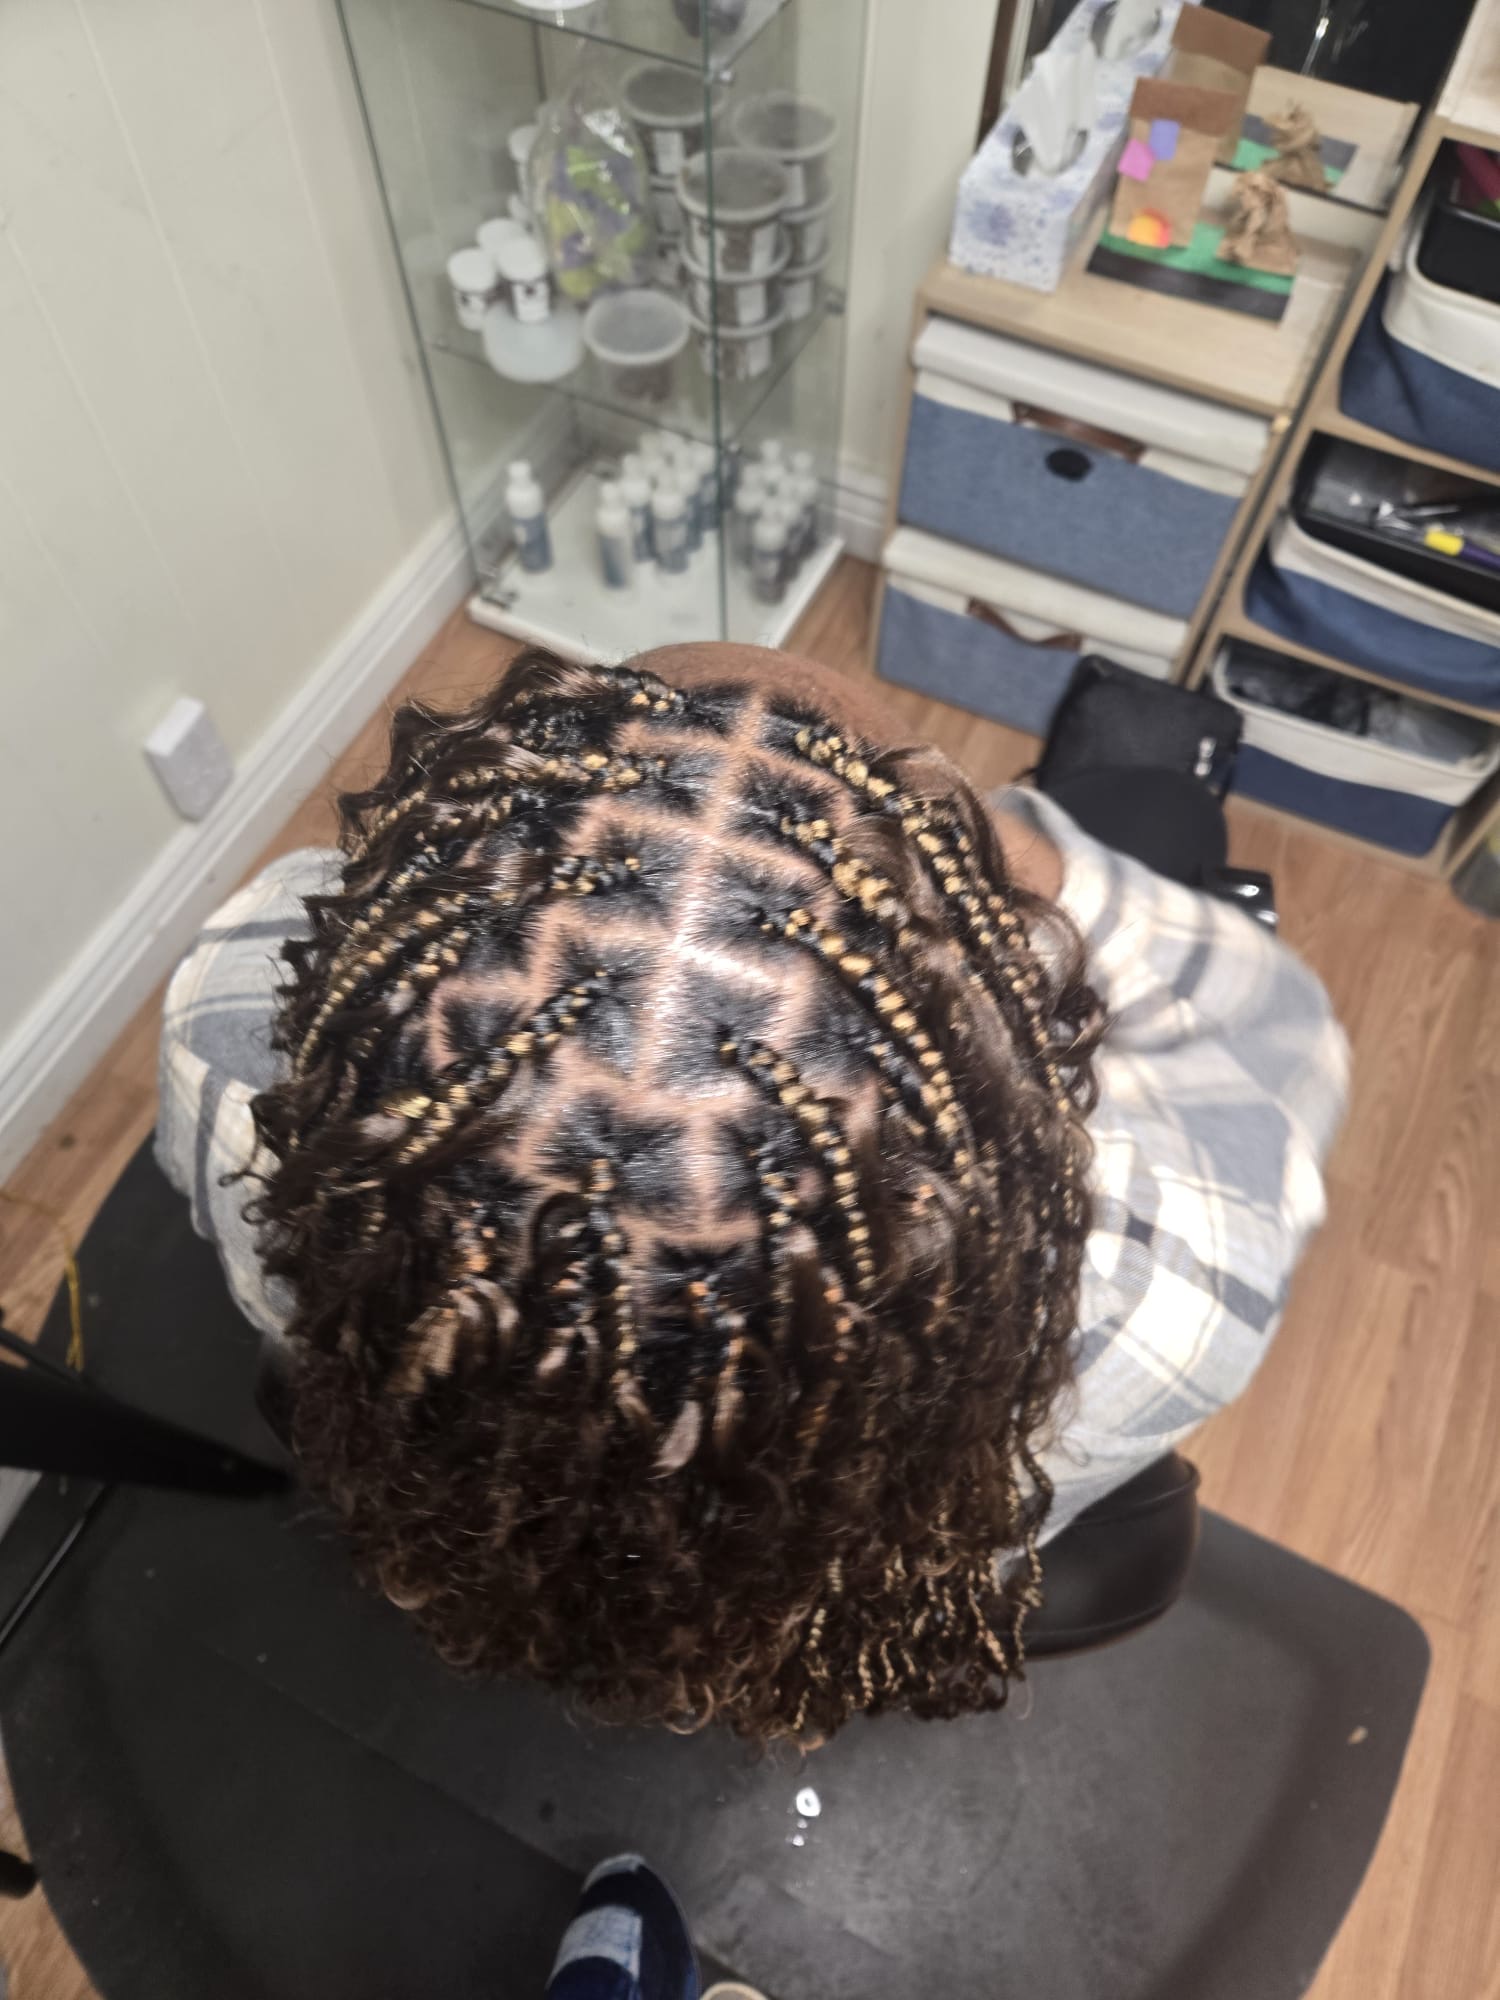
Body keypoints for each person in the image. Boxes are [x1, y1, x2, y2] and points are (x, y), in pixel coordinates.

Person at [156, 643, 1346, 1743]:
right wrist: (1035, 861)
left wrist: (942, 863)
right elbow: (1279, 1028)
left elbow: (309, 904)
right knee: (1157, 808)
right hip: (842, 1606)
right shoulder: (1181, 1282)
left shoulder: (225, 1033)